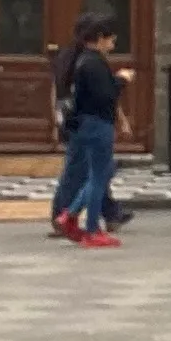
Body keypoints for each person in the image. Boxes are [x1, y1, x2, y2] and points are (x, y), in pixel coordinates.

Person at [49, 13, 127, 249]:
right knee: (96, 175)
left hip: (81, 124)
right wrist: (122, 80)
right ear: (100, 38)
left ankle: (69, 215)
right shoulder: (93, 63)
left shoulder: (80, 60)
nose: (113, 45)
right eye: (111, 40)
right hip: (96, 124)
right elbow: (106, 96)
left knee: (94, 175)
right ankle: (89, 227)